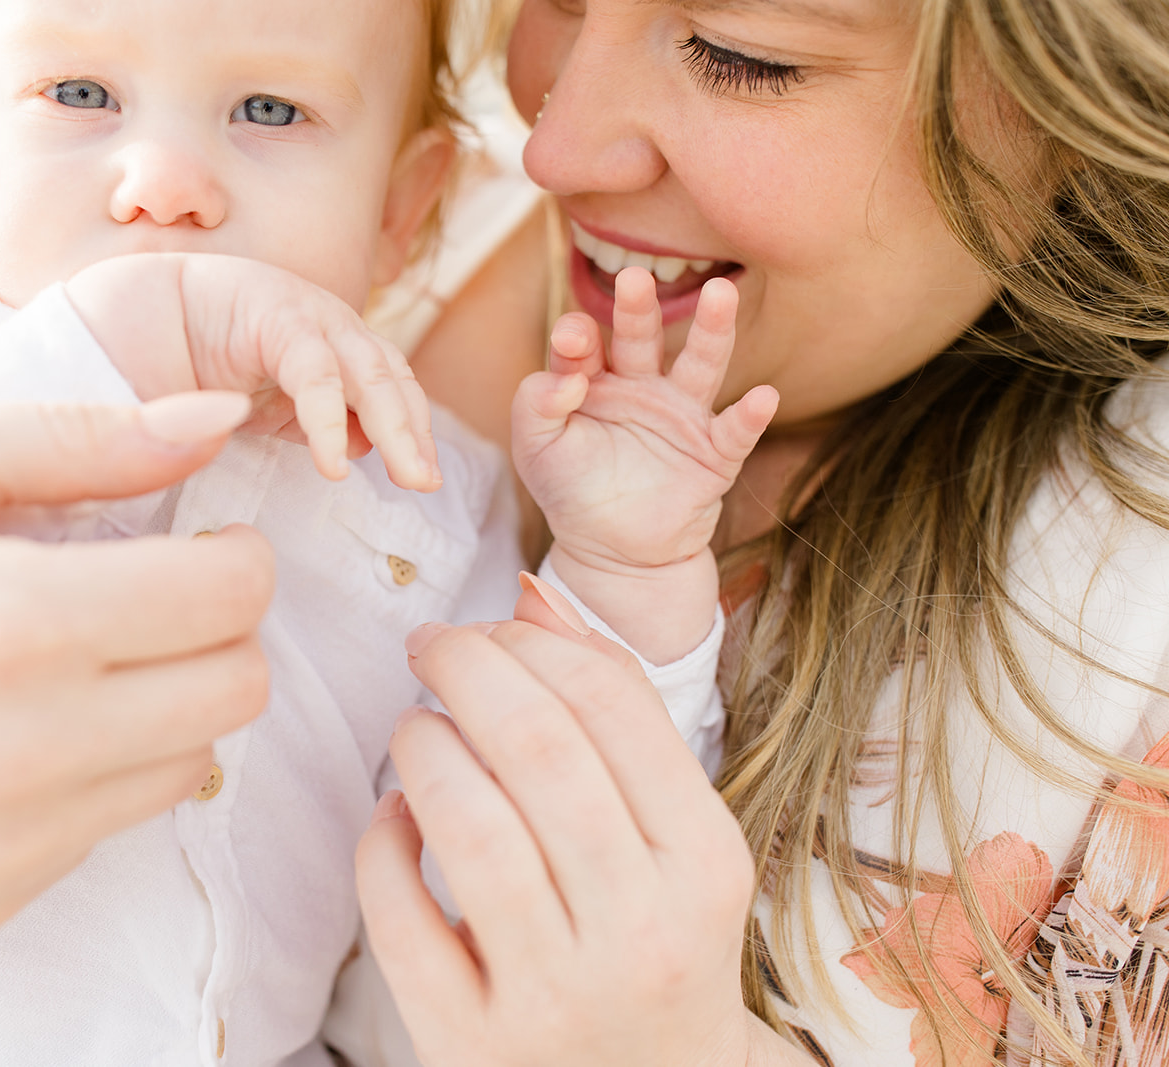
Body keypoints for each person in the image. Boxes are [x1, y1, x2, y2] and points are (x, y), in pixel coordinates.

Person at [0, 1, 767, 1065]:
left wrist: (624, 569)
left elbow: (506, 831)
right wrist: (148, 326)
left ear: (405, 212)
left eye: (268, 109)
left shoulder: (422, 482)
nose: (164, 180)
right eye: (78, 96)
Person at [347, 0, 1169, 1065]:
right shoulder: (362, 238)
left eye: (737, 55)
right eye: (552, 1)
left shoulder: (1123, 595)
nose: (552, 148)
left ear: (1080, 95)